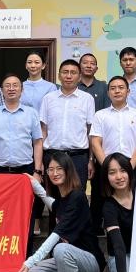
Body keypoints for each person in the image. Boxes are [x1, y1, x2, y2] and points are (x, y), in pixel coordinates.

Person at [18, 152, 105, 272]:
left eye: (59, 169)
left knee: (60, 248)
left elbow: (56, 235)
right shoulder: (62, 199)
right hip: (69, 259)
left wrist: (32, 260)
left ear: (67, 170)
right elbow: (53, 205)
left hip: (91, 261)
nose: (55, 173)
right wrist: (34, 184)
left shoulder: (77, 197)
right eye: (50, 169)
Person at [0, 73, 43, 272]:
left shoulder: (31, 113)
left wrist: (37, 170)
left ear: (21, 90)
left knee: (25, 221)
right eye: (7, 85)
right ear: (2, 90)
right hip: (0, 173)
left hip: (25, 172)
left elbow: (37, 142)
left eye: (16, 85)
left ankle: (21, 269)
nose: (12, 88)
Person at [89, 76, 136, 233]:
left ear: (128, 91)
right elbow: (95, 143)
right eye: (113, 88)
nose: (117, 91)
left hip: (131, 163)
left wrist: (129, 167)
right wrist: (107, 168)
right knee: (99, 202)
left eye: (121, 88)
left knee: (132, 203)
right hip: (105, 164)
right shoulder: (100, 115)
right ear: (108, 92)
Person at [39, 59, 95, 191]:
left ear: (79, 77)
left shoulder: (87, 99)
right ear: (59, 75)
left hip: (78, 158)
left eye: (73, 73)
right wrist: (40, 161)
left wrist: (91, 160)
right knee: (53, 197)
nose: (68, 76)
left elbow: (90, 132)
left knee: (77, 195)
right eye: (65, 72)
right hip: (52, 156)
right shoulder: (48, 98)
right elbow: (43, 131)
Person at [101, 152, 135, 272]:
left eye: (123, 170)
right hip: (121, 257)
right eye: (112, 172)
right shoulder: (109, 206)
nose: (119, 177)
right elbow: (119, 247)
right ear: (106, 177)